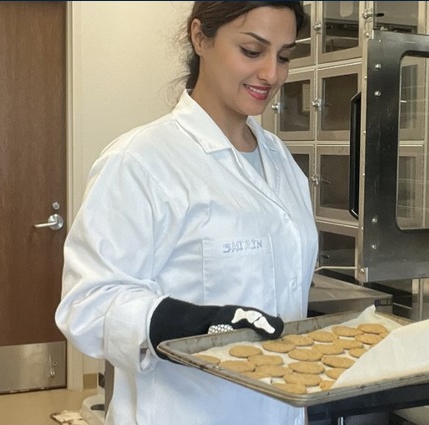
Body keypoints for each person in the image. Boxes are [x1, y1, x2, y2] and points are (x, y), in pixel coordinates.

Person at [55, 2, 317, 424]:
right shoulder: (140, 162)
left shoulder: (281, 161)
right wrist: (188, 322)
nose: (272, 74)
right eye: (252, 51)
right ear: (200, 38)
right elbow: (87, 305)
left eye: (284, 56)